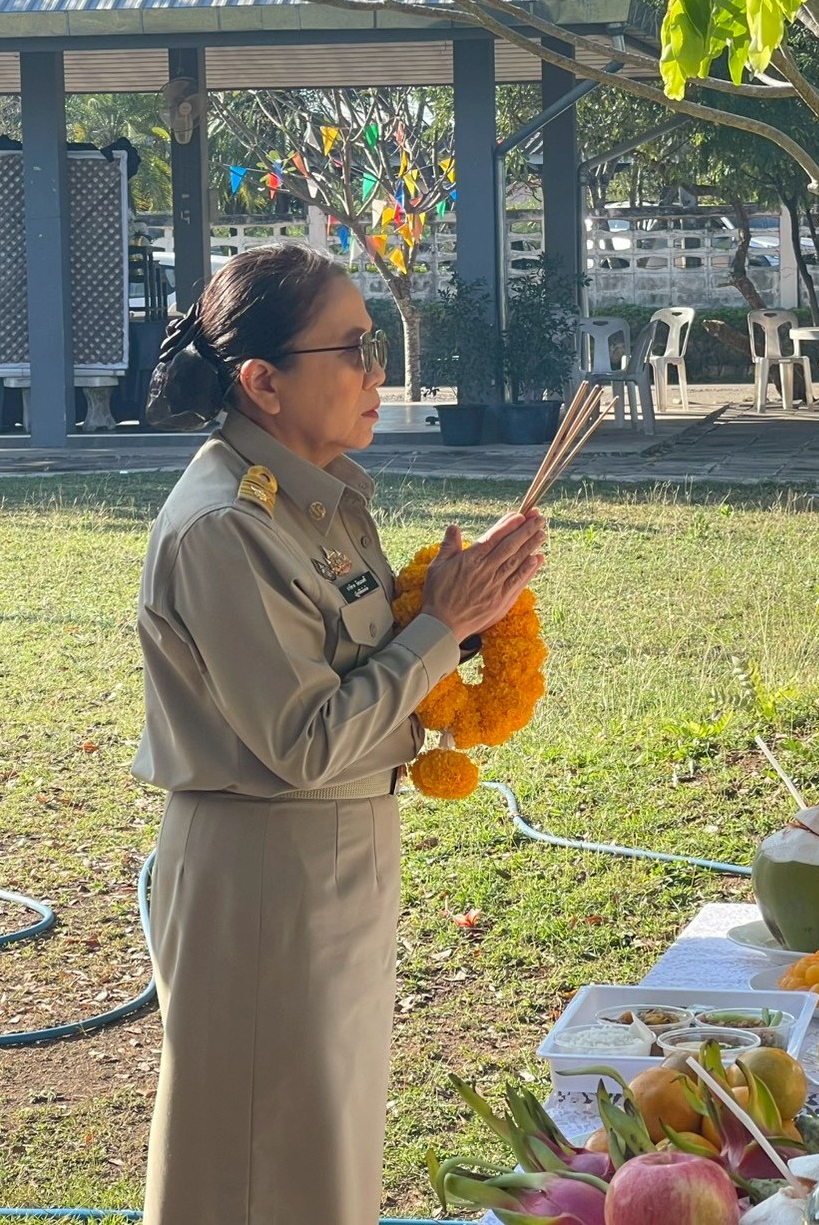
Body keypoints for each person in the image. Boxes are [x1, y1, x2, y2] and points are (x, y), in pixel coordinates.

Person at [133, 242, 545, 1225]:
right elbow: (305, 740)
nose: (378, 369)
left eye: (376, 342)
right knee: (252, 1165)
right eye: (353, 347)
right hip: (265, 869)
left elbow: (362, 667)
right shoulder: (225, 527)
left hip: (337, 853)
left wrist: (464, 604)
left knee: (323, 1152)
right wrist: (440, 628)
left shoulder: (322, 498)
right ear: (262, 382)